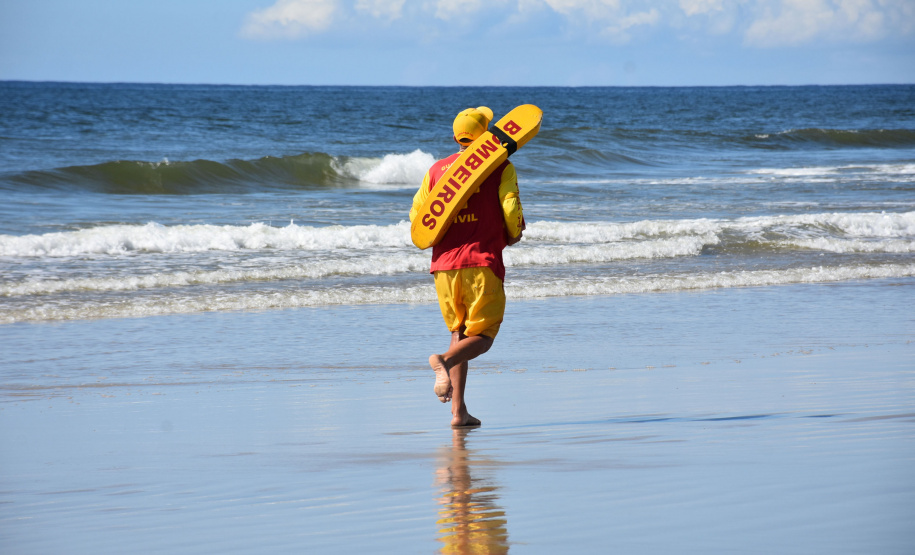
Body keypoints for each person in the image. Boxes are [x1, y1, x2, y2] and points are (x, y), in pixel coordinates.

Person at [409, 106, 525, 428]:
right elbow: (510, 205)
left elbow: (418, 217)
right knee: (483, 336)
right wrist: (515, 231)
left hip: (444, 268)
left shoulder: (435, 171)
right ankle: (442, 361)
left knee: (458, 332)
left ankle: (458, 413)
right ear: (486, 135)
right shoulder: (500, 166)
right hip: (480, 261)